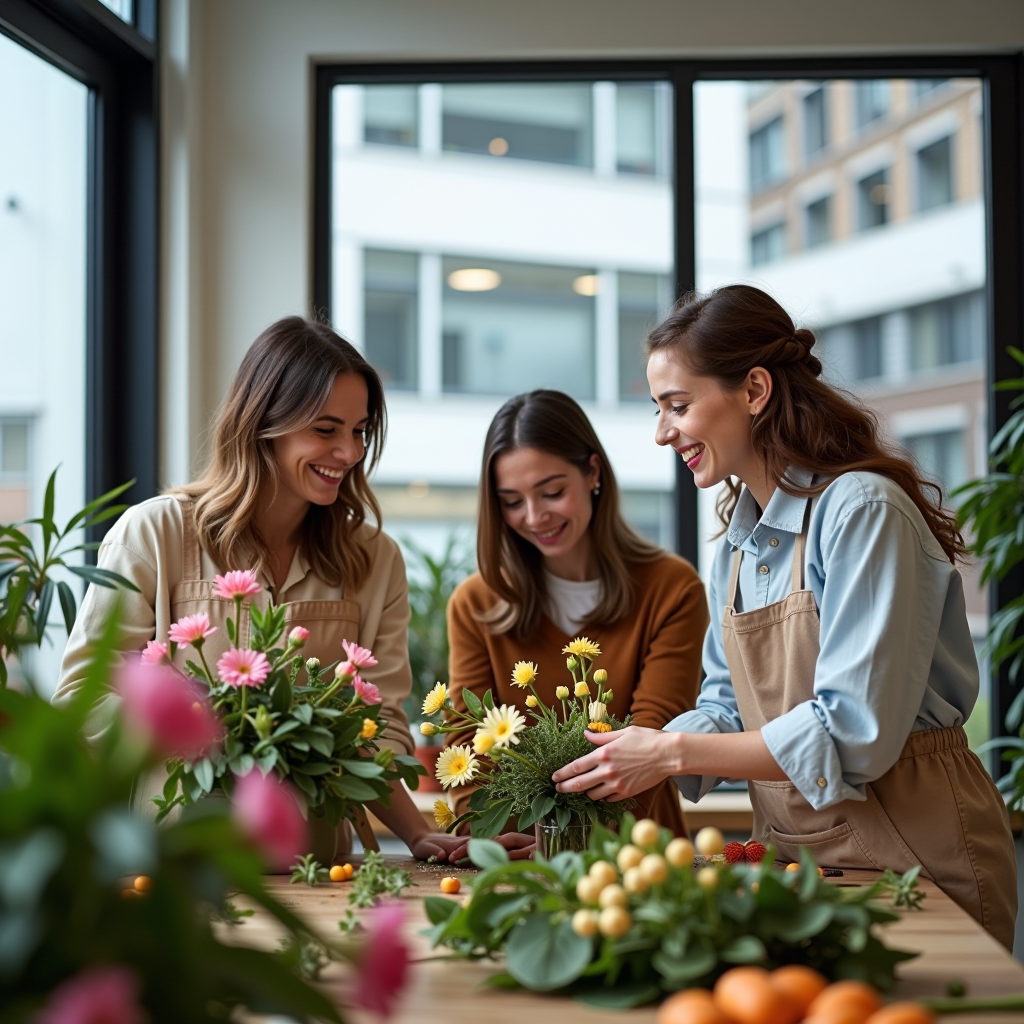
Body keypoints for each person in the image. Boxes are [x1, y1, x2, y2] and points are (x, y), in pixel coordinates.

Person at [552, 285, 1017, 948]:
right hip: (797, 866)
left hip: (918, 854)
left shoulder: (862, 513)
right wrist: (614, 760)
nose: (662, 433)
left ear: (755, 390)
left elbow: (853, 731)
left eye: (677, 406)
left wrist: (668, 752)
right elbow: (725, 707)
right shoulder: (736, 550)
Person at [54, 316, 532, 864]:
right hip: (178, 864)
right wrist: (183, 724)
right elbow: (81, 699)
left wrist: (418, 835)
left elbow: (378, 730)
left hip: (318, 866)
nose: (350, 452)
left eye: (359, 430)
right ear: (263, 424)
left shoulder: (375, 560)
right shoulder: (154, 534)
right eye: (326, 430)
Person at [446, 390, 709, 834]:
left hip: (637, 857)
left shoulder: (671, 589)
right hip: (515, 861)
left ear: (592, 472)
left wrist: (566, 847)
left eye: (551, 492)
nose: (534, 517)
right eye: (511, 501)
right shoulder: (476, 604)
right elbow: (468, 756)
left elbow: (646, 752)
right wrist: (496, 839)